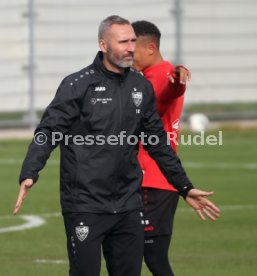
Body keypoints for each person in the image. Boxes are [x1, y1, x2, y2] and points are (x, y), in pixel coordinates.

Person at [13, 15, 220, 276]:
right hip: (85, 204)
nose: (131, 47)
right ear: (103, 45)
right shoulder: (77, 85)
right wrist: (30, 172)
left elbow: (158, 142)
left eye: (133, 40)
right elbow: (48, 131)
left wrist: (184, 186)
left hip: (128, 206)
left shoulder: (140, 86)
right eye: (123, 41)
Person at [131, 20, 196, 276]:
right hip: (145, 177)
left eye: (132, 48)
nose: (128, 54)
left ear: (150, 48)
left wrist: (178, 79)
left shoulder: (162, 75)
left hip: (156, 180)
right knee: (133, 251)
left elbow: (171, 90)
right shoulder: (145, 76)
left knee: (154, 257)